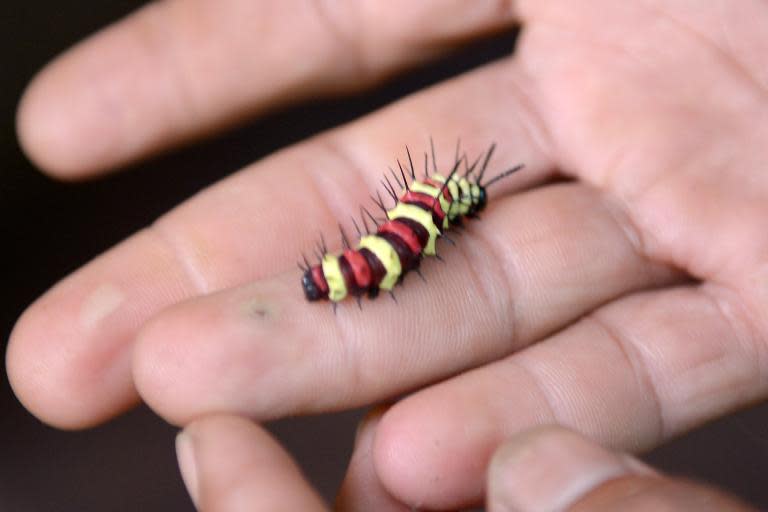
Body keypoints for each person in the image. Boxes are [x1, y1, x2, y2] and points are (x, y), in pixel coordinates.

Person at [9, 1, 767, 510]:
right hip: (373, 261)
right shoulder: (416, 230)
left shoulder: (417, 229)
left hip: (372, 262)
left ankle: (345, 275)